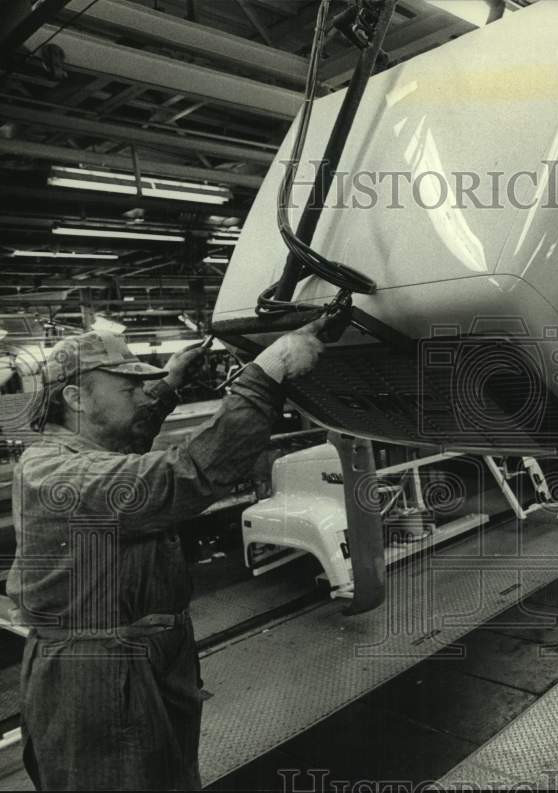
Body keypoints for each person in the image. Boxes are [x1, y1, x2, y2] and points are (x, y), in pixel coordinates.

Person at [9, 318, 327, 790]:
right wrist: (266, 374)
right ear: (76, 399)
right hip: (97, 675)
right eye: (129, 389)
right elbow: (189, 474)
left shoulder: (86, 449)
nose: (142, 398)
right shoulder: (60, 476)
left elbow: (129, 436)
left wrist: (172, 379)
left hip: (135, 659)